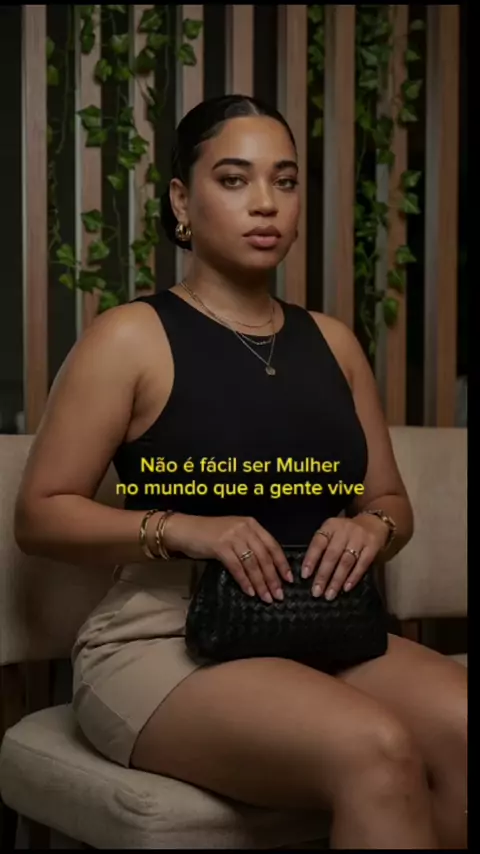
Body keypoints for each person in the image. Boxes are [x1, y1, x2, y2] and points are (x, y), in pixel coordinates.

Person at [14, 95, 466, 849]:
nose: (266, 203)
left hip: (319, 626)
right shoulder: (130, 337)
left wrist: (372, 529)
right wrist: (187, 529)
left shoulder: (335, 344)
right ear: (181, 200)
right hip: (161, 642)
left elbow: (389, 499)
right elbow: (39, 514)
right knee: (375, 750)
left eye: (284, 181)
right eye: (234, 179)